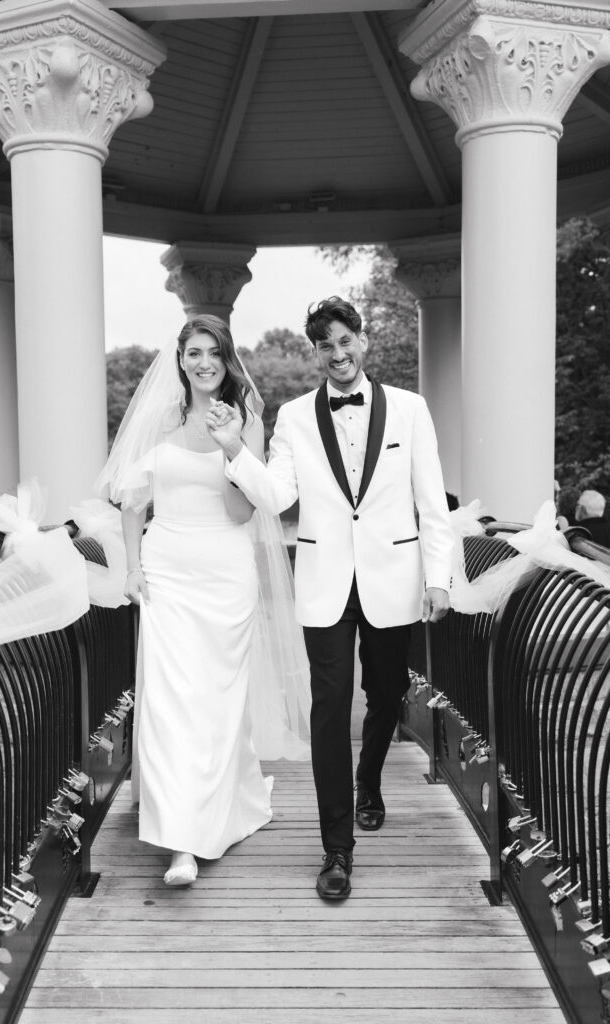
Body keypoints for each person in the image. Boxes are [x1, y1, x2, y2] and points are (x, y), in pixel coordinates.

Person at [206, 296, 454, 900]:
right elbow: (275, 497)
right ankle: (336, 849)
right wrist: (236, 449)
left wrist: (439, 575)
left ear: (362, 342)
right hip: (324, 585)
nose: (338, 354)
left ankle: (370, 778)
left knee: (388, 694)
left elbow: (431, 499)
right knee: (328, 708)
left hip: (393, 578)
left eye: (346, 341)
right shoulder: (292, 417)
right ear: (315, 352)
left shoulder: (410, 409)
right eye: (325, 346)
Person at [95, 315, 310, 888]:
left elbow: (245, 513)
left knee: (214, 706)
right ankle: (182, 844)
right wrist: (133, 569)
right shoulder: (161, 419)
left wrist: (231, 447)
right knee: (168, 704)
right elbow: (132, 502)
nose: (204, 362)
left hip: (225, 577)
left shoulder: (247, 421)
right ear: (181, 358)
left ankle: (217, 810)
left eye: (214, 352)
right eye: (194, 352)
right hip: (167, 575)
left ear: (226, 358)